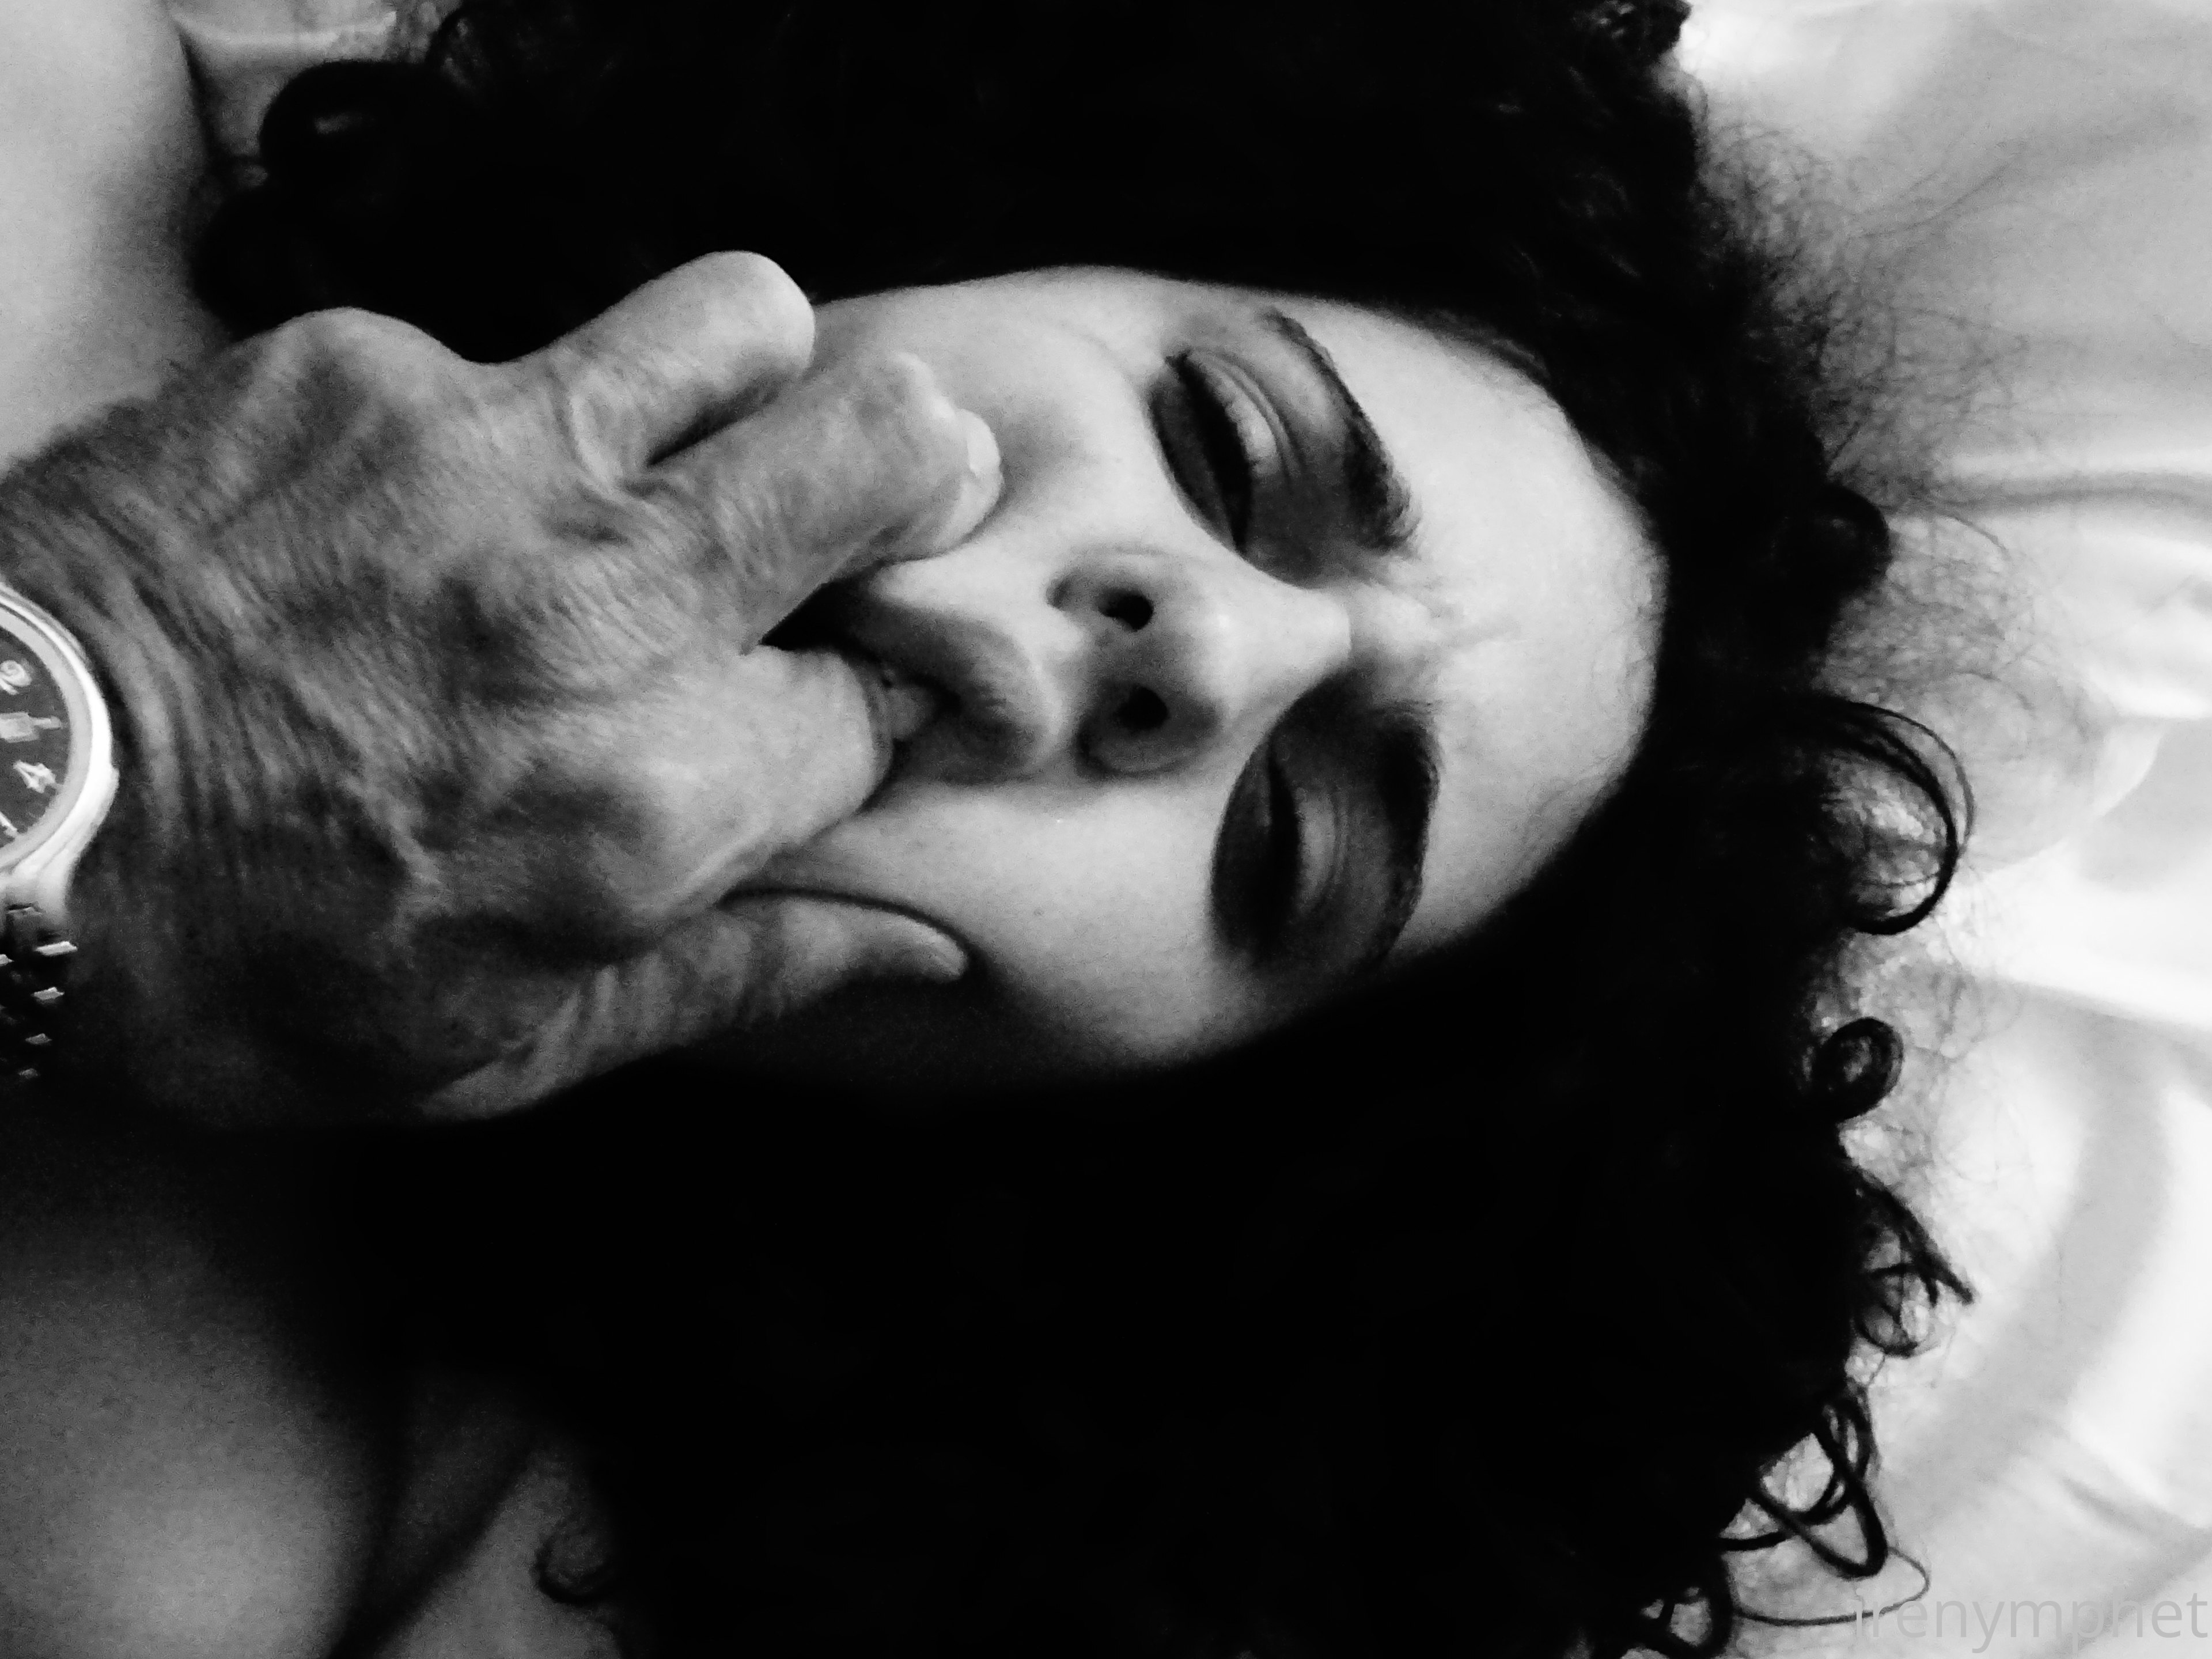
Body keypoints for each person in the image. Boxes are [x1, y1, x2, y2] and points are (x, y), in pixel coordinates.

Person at [0, 0, 1983, 1656]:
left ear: (1089, 1134)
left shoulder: (155, 1544)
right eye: (1229, 445)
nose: (1217, 648)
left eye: (1288, 846)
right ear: (965, 235)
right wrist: (99, 698)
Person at [0, 0, 1003, 1123]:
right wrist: (122, 728)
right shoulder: (67, 115)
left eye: (1248, 849)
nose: (1170, 642)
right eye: (1168, 421)